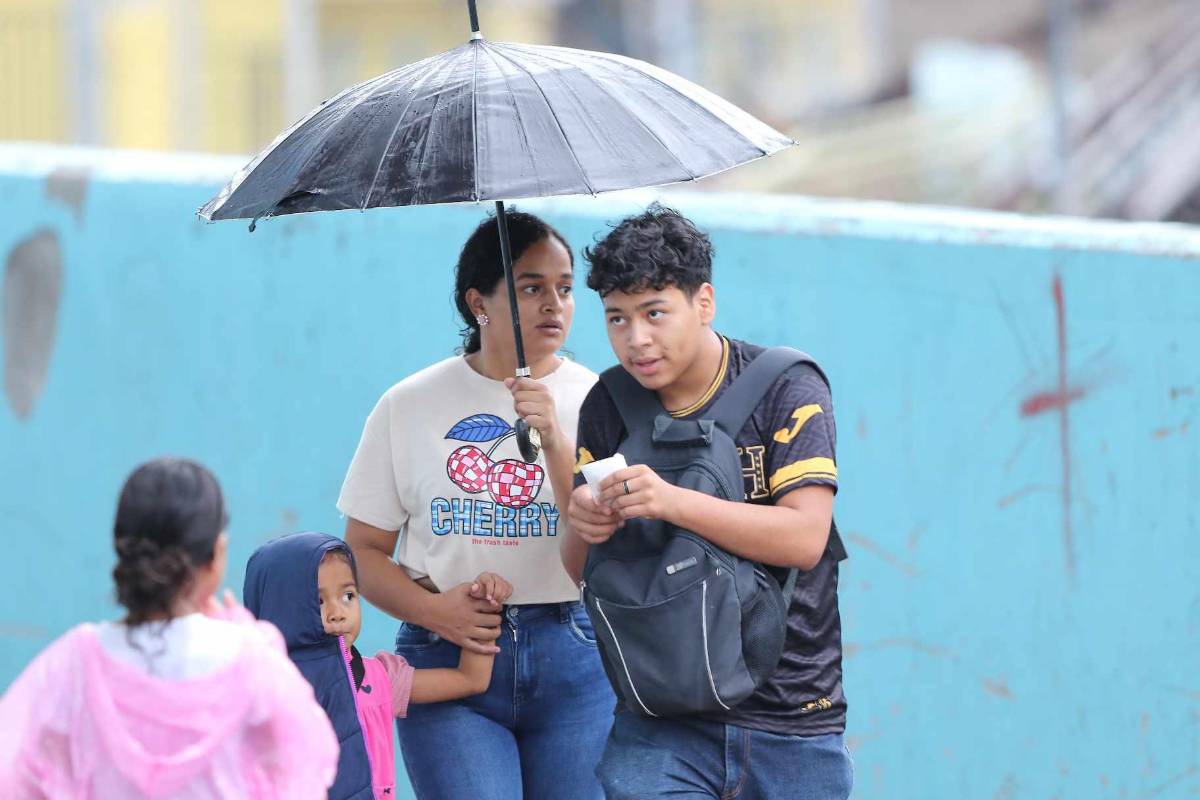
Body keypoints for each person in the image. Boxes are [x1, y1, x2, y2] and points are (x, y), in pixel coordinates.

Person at [565, 205, 853, 800]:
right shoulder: (607, 404)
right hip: (659, 721)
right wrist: (586, 525)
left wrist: (672, 502)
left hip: (792, 715)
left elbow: (804, 538)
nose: (635, 338)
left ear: (704, 303)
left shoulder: (786, 386)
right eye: (616, 319)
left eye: (654, 313)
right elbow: (581, 572)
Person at [338, 210, 613, 800]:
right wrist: (437, 614)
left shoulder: (599, 400)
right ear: (478, 303)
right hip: (445, 661)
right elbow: (360, 553)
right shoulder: (407, 405)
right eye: (530, 288)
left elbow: (606, 543)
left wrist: (557, 440)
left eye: (564, 289)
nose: (554, 305)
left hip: (576, 657)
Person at [0, 458, 338, 799]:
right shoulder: (254, 663)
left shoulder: (72, 664)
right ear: (216, 554)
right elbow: (305, 767)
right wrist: (253, 640)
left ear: (122, 549)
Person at [244, 532, 508, 800]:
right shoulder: (262, 690)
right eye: (319, 601)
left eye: (348, 595)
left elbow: (470, 679)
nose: (338, 612)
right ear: (282, 605)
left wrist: (484, 604)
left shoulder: (378, 679)